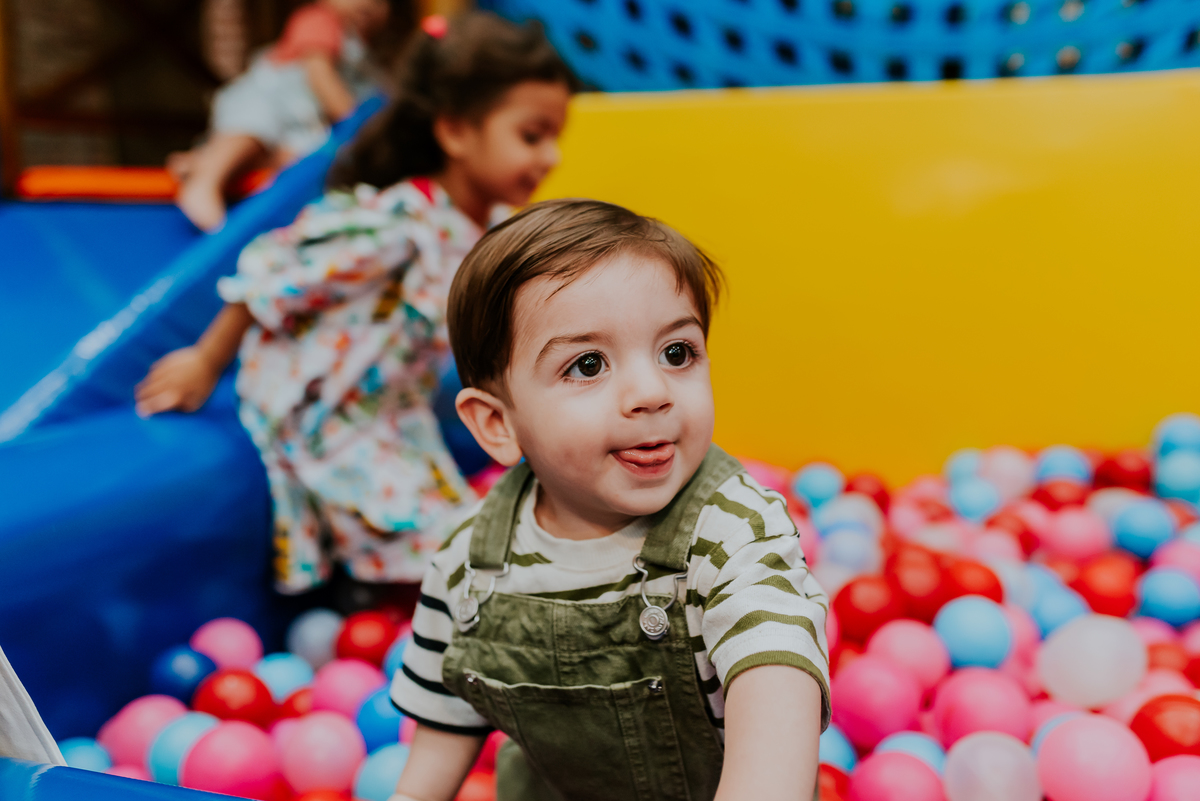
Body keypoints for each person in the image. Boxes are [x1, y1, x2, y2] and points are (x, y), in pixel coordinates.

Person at [388, 199, 830, 801]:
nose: (651, 392)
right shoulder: (470, 563)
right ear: (496, 423)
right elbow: (441, 725)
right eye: (588, 364)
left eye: (677, 353)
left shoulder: (735, 532)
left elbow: (777, 691)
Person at [135, 13, 577, 595]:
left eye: (554, 138)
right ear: (456, 132)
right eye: (531, 135)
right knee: (449, 553)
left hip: (392, 410)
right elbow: (276, 273)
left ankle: (387, 595)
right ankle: (371, 595)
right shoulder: (398, 220)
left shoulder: (489, 228)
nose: (550, 157)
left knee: (475, 533)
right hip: (327, 412)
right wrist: (205, 361)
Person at [172, 0, 398, 231]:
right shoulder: (319, 20)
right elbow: (321, 77)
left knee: (299, 157)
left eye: (381, 1)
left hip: (298, 126)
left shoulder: (367, 58)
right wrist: (354, 121)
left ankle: (202, 161)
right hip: (268, 103)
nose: (369, 4)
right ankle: (206, 180)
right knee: (251, 132)